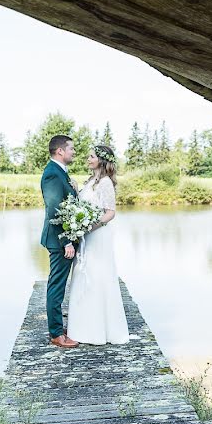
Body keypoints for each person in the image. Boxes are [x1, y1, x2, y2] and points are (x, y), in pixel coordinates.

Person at [67, 144, 130, 345]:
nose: (88, 159)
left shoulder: (105, 183)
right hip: (86, 234)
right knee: (83, 276)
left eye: (91, 156)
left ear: (101, 160)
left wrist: (88, 227)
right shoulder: (91, 181)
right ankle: (83, 328)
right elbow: (85, 205)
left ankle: (100, 329)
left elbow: (110, 212)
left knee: (97, 276)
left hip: (97, 236)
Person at [40, 135, 79, 348]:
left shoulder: (61, 173)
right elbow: (55, 210)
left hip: (62, 239)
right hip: (58, 241)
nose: (74, 152)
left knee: (59, 285)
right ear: (60, 151)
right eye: (71, 148)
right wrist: (66, 242)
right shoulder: (52, 175)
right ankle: (56, 334)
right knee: (56, 286)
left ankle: (57, 326)